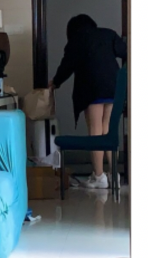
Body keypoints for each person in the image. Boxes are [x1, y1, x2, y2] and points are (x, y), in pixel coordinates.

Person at [49, 14, 127, 190]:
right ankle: (114, 174)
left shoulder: (77, 40)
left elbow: (67, 66)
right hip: (114, 85)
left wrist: (55, 82)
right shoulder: (108, 34)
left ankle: (99, 176)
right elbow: (125, 51)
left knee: (95, 131)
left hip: (92, 87)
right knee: (108, 130)